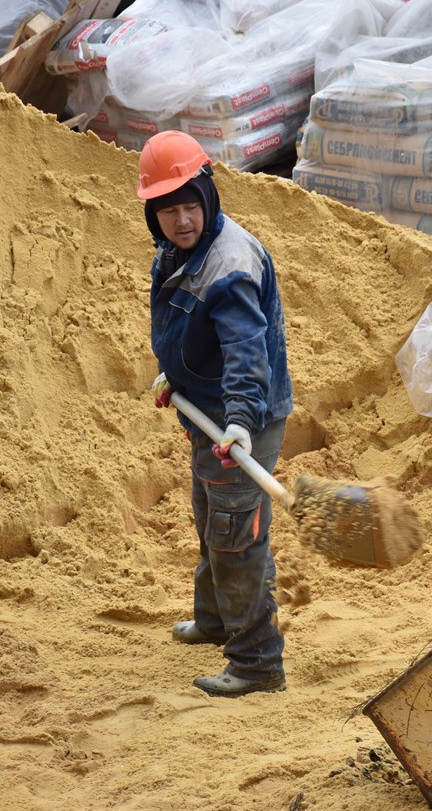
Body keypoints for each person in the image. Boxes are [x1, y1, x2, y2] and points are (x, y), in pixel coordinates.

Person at [139, 130, 293, 697]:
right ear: (153, 213)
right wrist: (174, 376)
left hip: (239, 420)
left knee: (235, 538)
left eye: (189, 206)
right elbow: (187, 326)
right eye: (167, 210)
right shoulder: (181, 250)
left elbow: (244, 348)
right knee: (212, 521)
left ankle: (255, 661)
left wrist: (241, 419)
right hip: (206, 410)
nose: (181, 220)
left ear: (208, 197)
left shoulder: (227, 264)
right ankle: (215, 621)